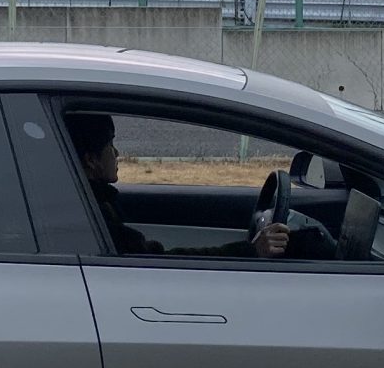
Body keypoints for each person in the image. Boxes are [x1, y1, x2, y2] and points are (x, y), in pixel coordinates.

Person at [65, 110, 291, 258]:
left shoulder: (88, 206)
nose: (117, 153)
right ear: (91, 160)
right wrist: (251, 251)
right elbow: (157, 262)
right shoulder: (94, 215)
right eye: (110, 146)